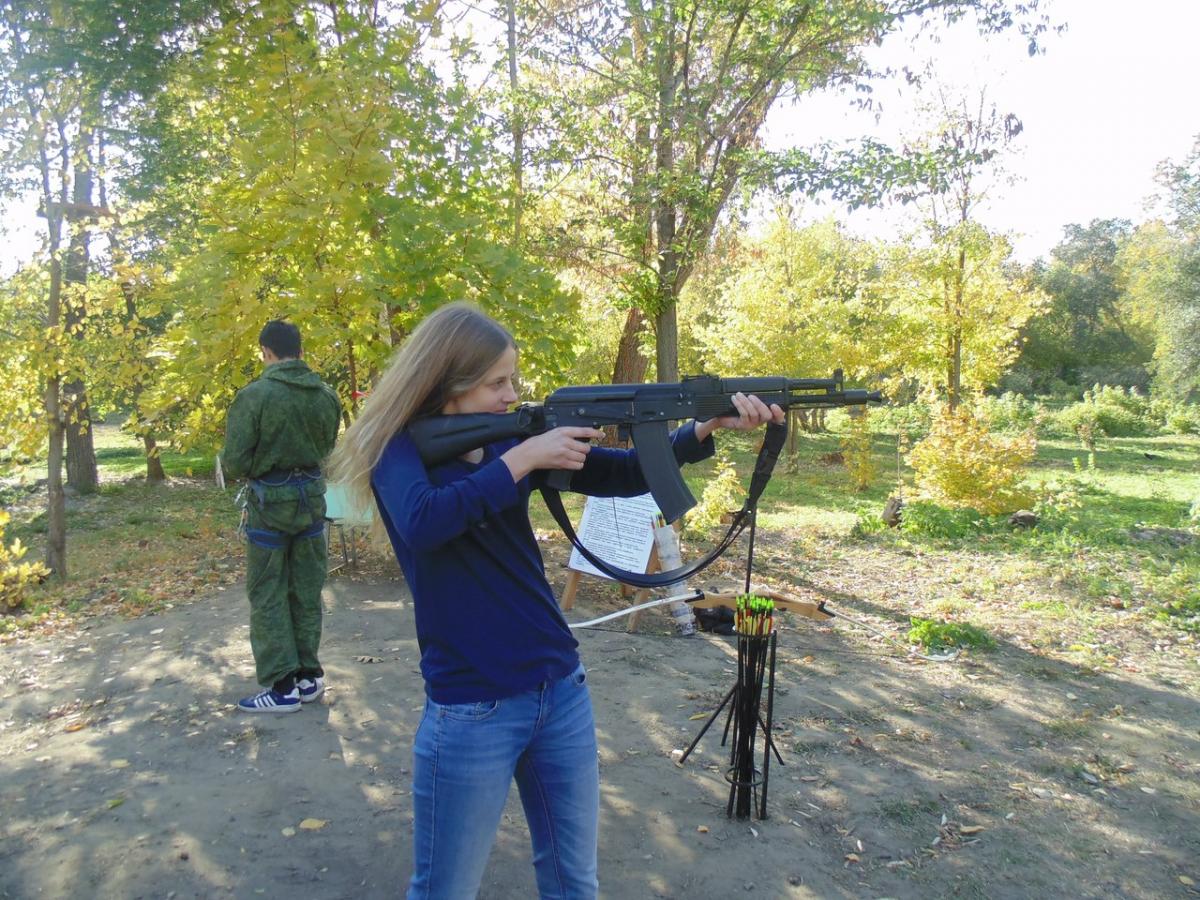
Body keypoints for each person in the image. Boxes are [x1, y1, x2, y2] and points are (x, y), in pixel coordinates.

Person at [327, 302, 782, 898]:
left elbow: (622, 474)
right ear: (446, 383)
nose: (511, 394)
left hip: (560, 688)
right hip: (473, 705)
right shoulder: (398, 449)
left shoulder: (514, 439)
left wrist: (702, 429)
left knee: (574, 882)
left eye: (511, 379)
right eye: (496, 383)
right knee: (444, 889)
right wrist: (522, 461)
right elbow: (422, 522)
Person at [222, 320, 342, 714]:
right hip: (312, 501)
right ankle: (309, 677)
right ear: (301, 352)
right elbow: (325, 448)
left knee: (268, 591)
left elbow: (236, 460)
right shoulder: (327, 396)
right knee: (307, 590)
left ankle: (281, 687)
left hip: (269, 507)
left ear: (266, 353)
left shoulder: (254, 396)